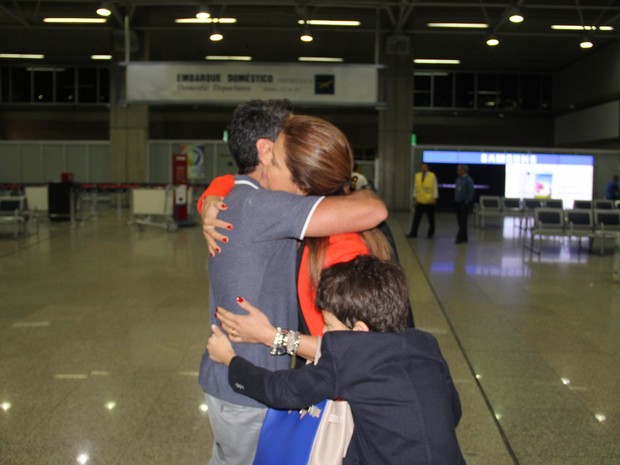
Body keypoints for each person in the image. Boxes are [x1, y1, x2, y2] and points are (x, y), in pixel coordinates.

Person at [197, 101, 388, 465]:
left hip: (241, 380)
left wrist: (210, 196)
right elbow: (374, 208)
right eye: (291, 141)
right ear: (266, 151)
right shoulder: (262, 206)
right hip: (247, 386)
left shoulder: (243, 200)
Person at [207, 255, 466, 465]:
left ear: (360, 331)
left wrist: (230, 359)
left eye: (329, 326)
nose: (325, 335)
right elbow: (452, 411)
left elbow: (280, 390)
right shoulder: (424, 343)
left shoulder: (348, 359)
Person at [407, 162, 438, 238]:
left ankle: (430, 233)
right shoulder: (417, 175)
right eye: (421, 167)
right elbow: (415, 187)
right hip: (420, 200)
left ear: (427, 168)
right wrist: (414, 197)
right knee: (416, 218)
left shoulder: (432, 176)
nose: (423, 168)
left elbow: (435, 187)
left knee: (431, 219)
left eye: (424, 167)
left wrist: (435, 197)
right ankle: (413, 233)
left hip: (429, 201)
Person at [454, 164, 474, 244]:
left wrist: (467, 201)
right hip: (458, 202)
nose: (458, 171)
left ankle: (460, 237)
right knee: (460, 220)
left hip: (464, 203)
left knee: (463, 220)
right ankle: (464, 236)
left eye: (460, 169)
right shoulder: (458, 179)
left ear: (464, 170)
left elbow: (470, 192)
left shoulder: (468, 180)